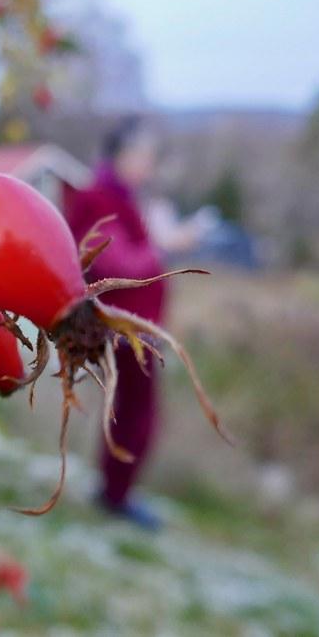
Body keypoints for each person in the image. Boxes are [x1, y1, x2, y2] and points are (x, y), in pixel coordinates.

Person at [61, 117, 197, 530]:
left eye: (150, 157)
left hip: (135, 325)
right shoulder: (97, 198)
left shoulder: (124, 198)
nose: (147, 164)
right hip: (117, 325)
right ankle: (113, 495)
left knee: (133, 412)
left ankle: (114, 489)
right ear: (120, 154)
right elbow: (117, 263)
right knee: (137, 413)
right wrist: (165, 243)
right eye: (142, 154)